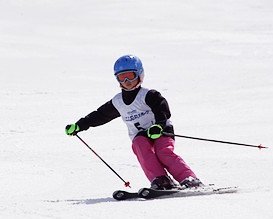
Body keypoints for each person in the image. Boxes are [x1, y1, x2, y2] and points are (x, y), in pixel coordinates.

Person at [65, 55, 203, 190]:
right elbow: (100, 115)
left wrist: (159, 126)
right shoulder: (118, 102)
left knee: (163, 152)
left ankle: (188, 178)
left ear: (140, 75)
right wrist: (79, 125)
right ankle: (161, 179)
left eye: (130, 76)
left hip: (160, 131)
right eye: (121, 77)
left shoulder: (149, 95)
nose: (126, 81)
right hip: (140, 135)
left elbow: (162, 109)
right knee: (140, 147)